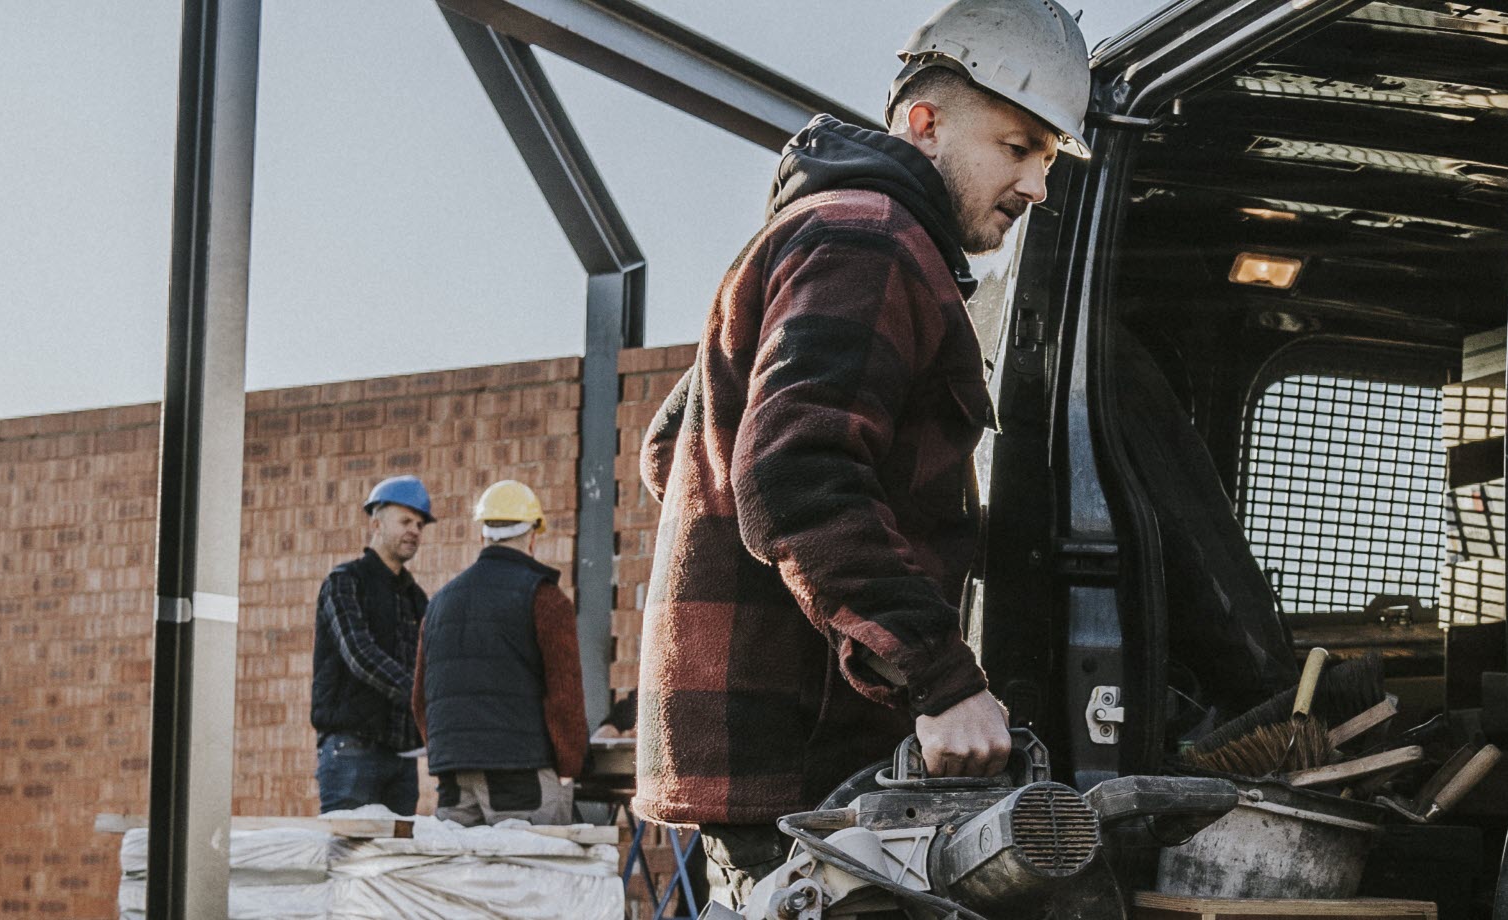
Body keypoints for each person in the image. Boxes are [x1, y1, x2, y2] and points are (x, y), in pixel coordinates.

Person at [632, 0, 1093, 897]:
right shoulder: (868, 239)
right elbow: (794, 473)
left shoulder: (818, 230)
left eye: (1047, 158)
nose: (1037, 185)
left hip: (767, 754)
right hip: (803, 758)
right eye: (1017, 146)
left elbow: (673, 450)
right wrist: (942, 681)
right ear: (926, 123)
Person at [415, 480, 589, 826]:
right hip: (522, 778)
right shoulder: (545, 598)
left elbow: (421, 700)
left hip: (453, 780)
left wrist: (451, 752)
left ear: (483, 537)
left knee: (461, 879)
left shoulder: (439, 603)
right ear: (532, 537)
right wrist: (570, 767)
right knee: (533, 876)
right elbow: (564, 697)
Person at [311, 475, 433, 815]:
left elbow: (426, 663)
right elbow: (359, 654)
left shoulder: (416, 598)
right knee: (347, 860)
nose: (415, 531)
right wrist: (419, 693)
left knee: (393, 863)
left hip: (402, 759)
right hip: (351, 750)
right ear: (376, 524)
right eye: (406, 521)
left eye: (421, 525)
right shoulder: (345, 582)